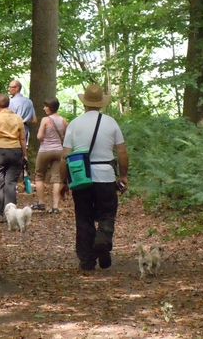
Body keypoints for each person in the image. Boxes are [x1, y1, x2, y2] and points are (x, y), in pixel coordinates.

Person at [59, 84, 129, 271]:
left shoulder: (74, 124)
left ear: (84, 103)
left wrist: (64, 181)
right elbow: (121, 152)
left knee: (83, 218)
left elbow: (64, 157)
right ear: (101, 104)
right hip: (106, 176)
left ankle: (87, 260)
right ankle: (103, 240)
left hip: (81, 177)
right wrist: (123, 175)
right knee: (107, 214)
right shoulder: (111, 122)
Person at [0, 93, 26, 221]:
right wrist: (24, 154)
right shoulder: (18, 118)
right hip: (15, 150)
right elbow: (23, 138)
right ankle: (11, 214)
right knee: (11, 183)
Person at [33, 97, 68, 213]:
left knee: (39, 176)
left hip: (45, 150)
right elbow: (66, 137)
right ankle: (55, 206)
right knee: (56, 178)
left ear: (50, 108)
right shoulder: (63, 121)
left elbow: (39, 136)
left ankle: (41, 203)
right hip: (58, 150)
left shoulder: (45, 120)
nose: (44, 108)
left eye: (45, 106)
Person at [7, 80, 37, 145]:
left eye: (11, 87)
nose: (8, 89)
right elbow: (34, 120)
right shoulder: (29, 102)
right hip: (24, 130)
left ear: (17, 88)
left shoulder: (10, 102)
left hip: (12, 130)